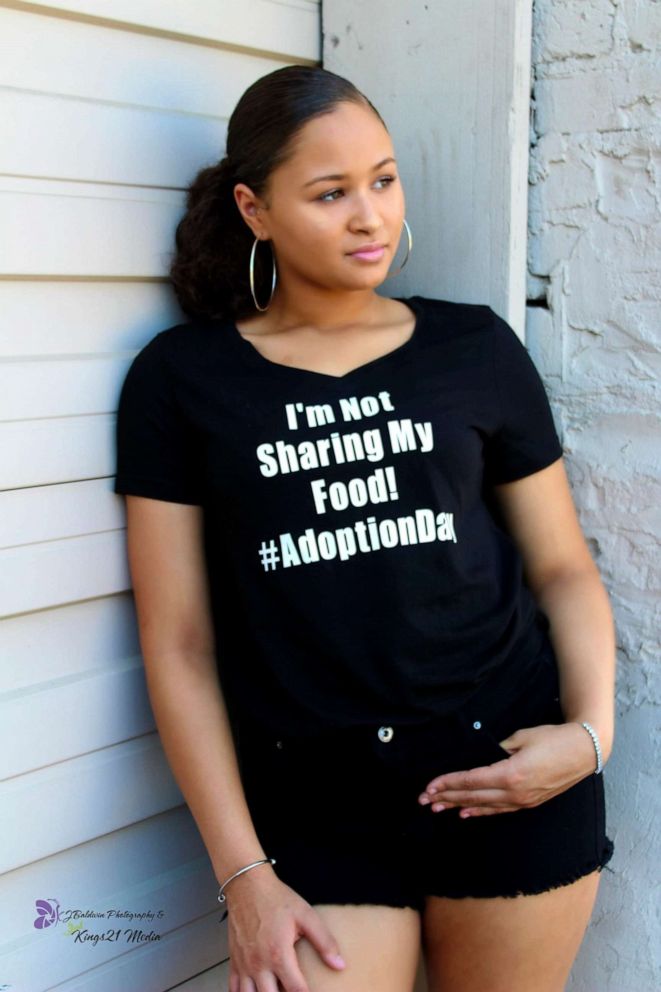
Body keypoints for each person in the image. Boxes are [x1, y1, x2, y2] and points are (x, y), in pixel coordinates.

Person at [113, 65, 616, 992]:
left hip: (508, 777)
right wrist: (244, 873)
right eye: (329, 193)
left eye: (383, 180)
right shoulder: (183, 382)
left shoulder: (473, 347)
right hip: (313, 811)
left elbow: (560, 569)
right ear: (253, 209)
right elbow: (177, 642)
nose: (368, 216)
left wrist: (587, 737)